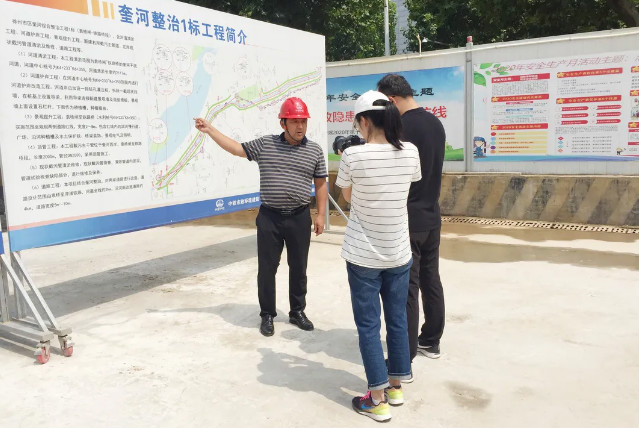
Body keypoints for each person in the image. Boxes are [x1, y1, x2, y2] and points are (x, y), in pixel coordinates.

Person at [194, 97, 328, 337]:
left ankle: (297, 311)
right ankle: (267, 314)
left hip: (299, 217)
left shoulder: (314, 150)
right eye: (295, 121)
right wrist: (210, 130)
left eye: (303, 121)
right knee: (267, 269)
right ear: (283, 123)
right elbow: (237, 148)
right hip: (270, 218)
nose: (300, 126)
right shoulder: (266, 145)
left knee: (299, 267)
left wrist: (320, 215)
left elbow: (320, 184)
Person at [335, 90, 421, 422]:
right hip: (398, 252)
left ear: (365, 121)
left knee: (369, 326)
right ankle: (395, 386)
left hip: (363, 256)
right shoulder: (410, 151)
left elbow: (347, 197)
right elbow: (406, 187)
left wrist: (352, 156)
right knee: (397, 319)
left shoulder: (353, 156)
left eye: (358, 123)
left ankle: (376, 399)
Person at [377, 74, 446, 361]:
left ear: (391, 100)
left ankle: (403, 355)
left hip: (408, 220)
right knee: (431, 280)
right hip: (432, 216)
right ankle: (431, 340)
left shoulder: (401, 127)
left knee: (407, 288)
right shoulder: (435, 123)